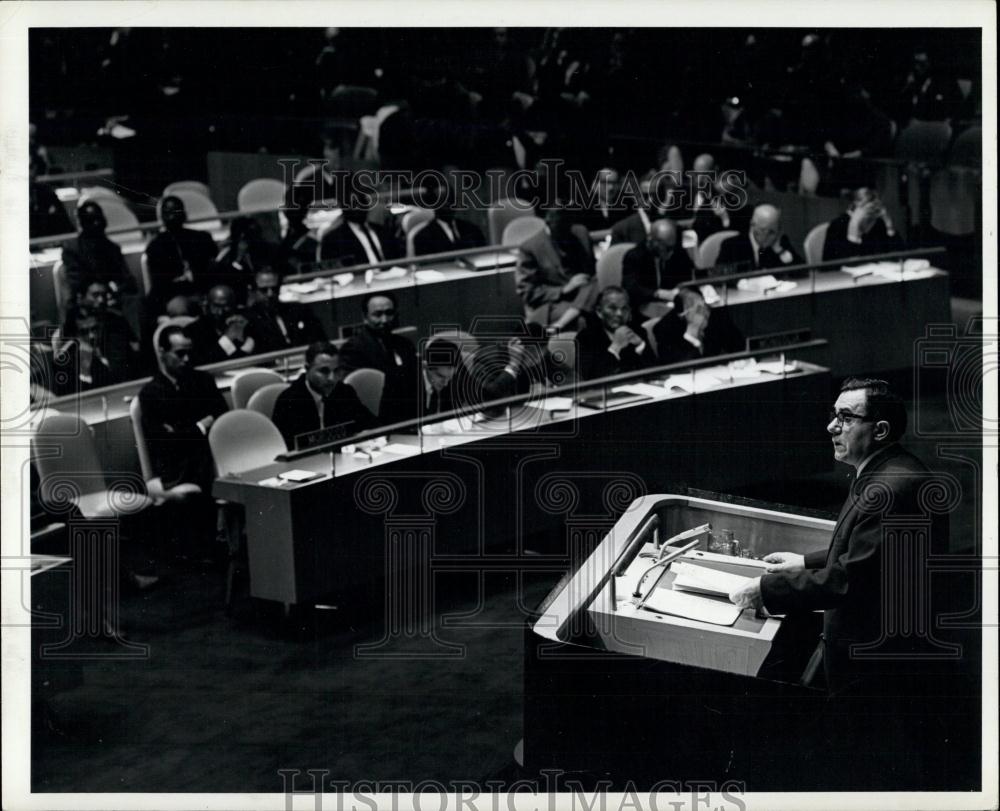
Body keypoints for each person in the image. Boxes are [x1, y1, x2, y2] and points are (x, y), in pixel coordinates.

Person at [729, 377, 949, 786]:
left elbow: (851, 581)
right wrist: (804, 561)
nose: (832, 426)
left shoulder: (889, 489)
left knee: (867, 762)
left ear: (879, 430)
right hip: (881, 646)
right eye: (834, 415)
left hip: (874, 658)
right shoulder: (888, 469)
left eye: (846, 418)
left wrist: (764, 590)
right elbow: (866, 553)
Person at [137, 325, 228, 494]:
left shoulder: (203, 381)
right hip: (178, 467)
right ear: (162, 352)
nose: (186, 359)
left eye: (188, 352)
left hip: (209, 456)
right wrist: (200, 426)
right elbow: (164, 444)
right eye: (179, 353)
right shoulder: (150, 394)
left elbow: (223, 419)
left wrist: (182, 432)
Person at [271, 341, 378, 449]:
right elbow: (285, 449)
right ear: (307, 369)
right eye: (324, 371)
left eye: (336, 371)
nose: (332, 378)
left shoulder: (344, 392)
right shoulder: (288, 401)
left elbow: (371, 425)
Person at [339, 292, 419, 426]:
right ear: (365, 317)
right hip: (375, 420)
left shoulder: (405, 344)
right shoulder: (352, 349)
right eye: (377, 314)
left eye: (389, 313)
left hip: (409, 416)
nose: (385, 320)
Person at [515, 203, 598, 331]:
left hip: (586, 293)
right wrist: (565, 289)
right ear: (547, 224)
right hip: (554, 304)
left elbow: (592, 273)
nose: (565, 235)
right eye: (559, 230)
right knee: (584, 319)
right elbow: (528, 293)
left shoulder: (581, 234)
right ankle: (569, 318)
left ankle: (562, 323)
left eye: (568, 228)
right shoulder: (530, 248)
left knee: (595, 284)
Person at [51, 279, 141, 394]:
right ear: (80, 297)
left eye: (103, 295)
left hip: (119, 386)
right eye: (95, 295)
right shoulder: (65, 333)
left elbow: (132, 359)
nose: (101, 300)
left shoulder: (116, 322)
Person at [144, 195, 217, 311]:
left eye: (175, 211)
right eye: (167, 213)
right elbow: (160, 285)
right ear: (161, 217)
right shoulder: (155, 247)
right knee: (179, 307)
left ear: (184, 214)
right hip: (176, 296)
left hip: (204, 290)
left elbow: (212, 269)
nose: (172, 217)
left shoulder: (202, 238)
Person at [61, 200, 137, 301]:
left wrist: (113, 289)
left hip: (112, 298)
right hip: (87, 303)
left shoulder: (113, 248)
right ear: (82, 223)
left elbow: (128, 281)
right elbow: (75, 284)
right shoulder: (72, 250)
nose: (96, 224)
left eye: (98, 219)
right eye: (90, 220)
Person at [621, 219, 696, 319]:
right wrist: (658, 293)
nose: (671, 252)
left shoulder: (677, 252)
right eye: (667, 248)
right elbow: (630, 288)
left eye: (672, 247)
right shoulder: (634, 256)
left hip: (673, 305)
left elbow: (688, 277)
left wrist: (682, 291)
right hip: (642, 308)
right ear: (652, 241)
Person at [576, 287, 654, 380]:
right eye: (612, 308)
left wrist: (640, 346)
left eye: (624, 308)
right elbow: (591, 378)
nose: (619, 314)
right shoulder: (586, 337)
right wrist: (615, 347)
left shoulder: (638, 331)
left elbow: (655, 371)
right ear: (599, 312)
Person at [651, 288, 744, 364]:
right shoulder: (664, 329)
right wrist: (691, 334)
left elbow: (740, 347)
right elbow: (680, 367)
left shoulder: (716, 316)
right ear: (683, 314)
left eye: (704, 305)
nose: (705, 312)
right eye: (698, 309)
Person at [317, 187, 403, 267]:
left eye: (362, 202)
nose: (359, 207)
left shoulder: (381, 230)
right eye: (353, 204)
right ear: (344, 209)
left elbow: (399, 259)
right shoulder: (333, 240)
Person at [245, 268, 326, 353]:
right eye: (264, 290)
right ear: (253, 291)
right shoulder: (248, 320)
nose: (270, 294)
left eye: (275, 289)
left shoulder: (299, 310)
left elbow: (320, 339)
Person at [411, 172, 486, 256]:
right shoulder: (422, 237)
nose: (448, 204)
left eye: (450, 199)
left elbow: (485, 258)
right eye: (442, 201)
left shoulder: (472, 230)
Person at [822, 187, 904, 264]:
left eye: (875, 206)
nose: (873, 212)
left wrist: (889, 227)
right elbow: (830, 267)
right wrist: (853, 230)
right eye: (868, 208)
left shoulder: (878, 223)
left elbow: (900, 258)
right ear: (854, 206)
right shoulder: (836, 226)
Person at [209, 216, 280, 303]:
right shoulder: (226, 257)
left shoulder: (269, 251)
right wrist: (238, 259)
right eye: (245, 238)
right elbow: (225, 279)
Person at [715, 203, 803, 272]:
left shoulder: (780, 241)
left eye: (772, 231)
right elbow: (720, 275)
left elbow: (803, 271)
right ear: (753, 226)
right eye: (764, 230)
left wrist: (780, 251)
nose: (770, 236)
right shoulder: (731, 245)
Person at [610, 173, 687, 246]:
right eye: (646, 196)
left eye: (656, 195)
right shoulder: (622, 230)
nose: (651, 201)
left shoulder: (674, 228)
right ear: (639, 196)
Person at [187, 285, 257, 366]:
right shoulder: (194, 330)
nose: (220, 312)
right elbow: (205, 362)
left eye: (225, 307)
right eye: (216, 306)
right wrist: (227, 339)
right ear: (207, 306)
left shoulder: (244, 323)